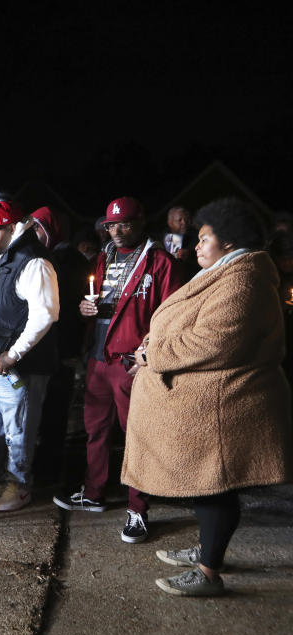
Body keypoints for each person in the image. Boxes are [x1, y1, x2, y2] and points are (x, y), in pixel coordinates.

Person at [122, 198, 292, 596]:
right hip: (214, 404)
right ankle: (209, 550)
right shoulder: (227, 272)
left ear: (229, 242)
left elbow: (216, 340)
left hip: (225, 405)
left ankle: (208, 572)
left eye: (204, 238)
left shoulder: (244, 278)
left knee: (215, 486)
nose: (196, 246)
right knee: (208, 486)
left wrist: (153, 355)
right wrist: (154, 344)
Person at [53, 197, 183, 543]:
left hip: (131, 363)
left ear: (141, 222)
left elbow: (171, 316)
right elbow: (98, 302)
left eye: (125, 223)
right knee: (95, 429)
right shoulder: (105, 256)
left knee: (136, 437)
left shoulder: (159, 261)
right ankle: (94, 492)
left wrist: (148, 356)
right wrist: (85, 308)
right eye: (111, 225)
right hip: (99, 357)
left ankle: (138, 509)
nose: (118, 231)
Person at [0, 201, 59, 511]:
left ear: (12, 227)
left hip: (15, 368)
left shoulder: (33, 262)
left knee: (18, 430)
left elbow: (45, 315)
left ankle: (19, 486)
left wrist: (14, 354)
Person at [30, 206, 89, 476]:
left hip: (61, 347)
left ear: (50, 229)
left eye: (38, 229)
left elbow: (65, 308)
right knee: (43, 410)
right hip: (48, 348)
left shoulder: (68, 260)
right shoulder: (48, 256)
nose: (33, 234)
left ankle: (49, 469)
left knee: (54, 409)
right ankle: (43, 463)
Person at [163, 205, 198, 274]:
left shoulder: (197, 233)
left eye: (186, 219)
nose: (184, 223)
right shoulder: (164, 240)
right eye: (179, 220)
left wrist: (190, 254)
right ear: (170, 223)